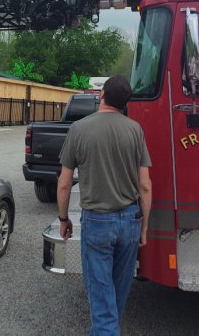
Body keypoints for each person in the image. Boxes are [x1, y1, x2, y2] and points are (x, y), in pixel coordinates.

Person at [57, 76, 152, 336]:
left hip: (98, 222)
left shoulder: (79, 128)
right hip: (130, 220)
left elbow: (64, 183)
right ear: (125, 103)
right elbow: (145, 185)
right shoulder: (135, 129)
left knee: (101, 300)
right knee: (116, 297)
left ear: (101, 96)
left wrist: (63, 219)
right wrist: (144, 226)